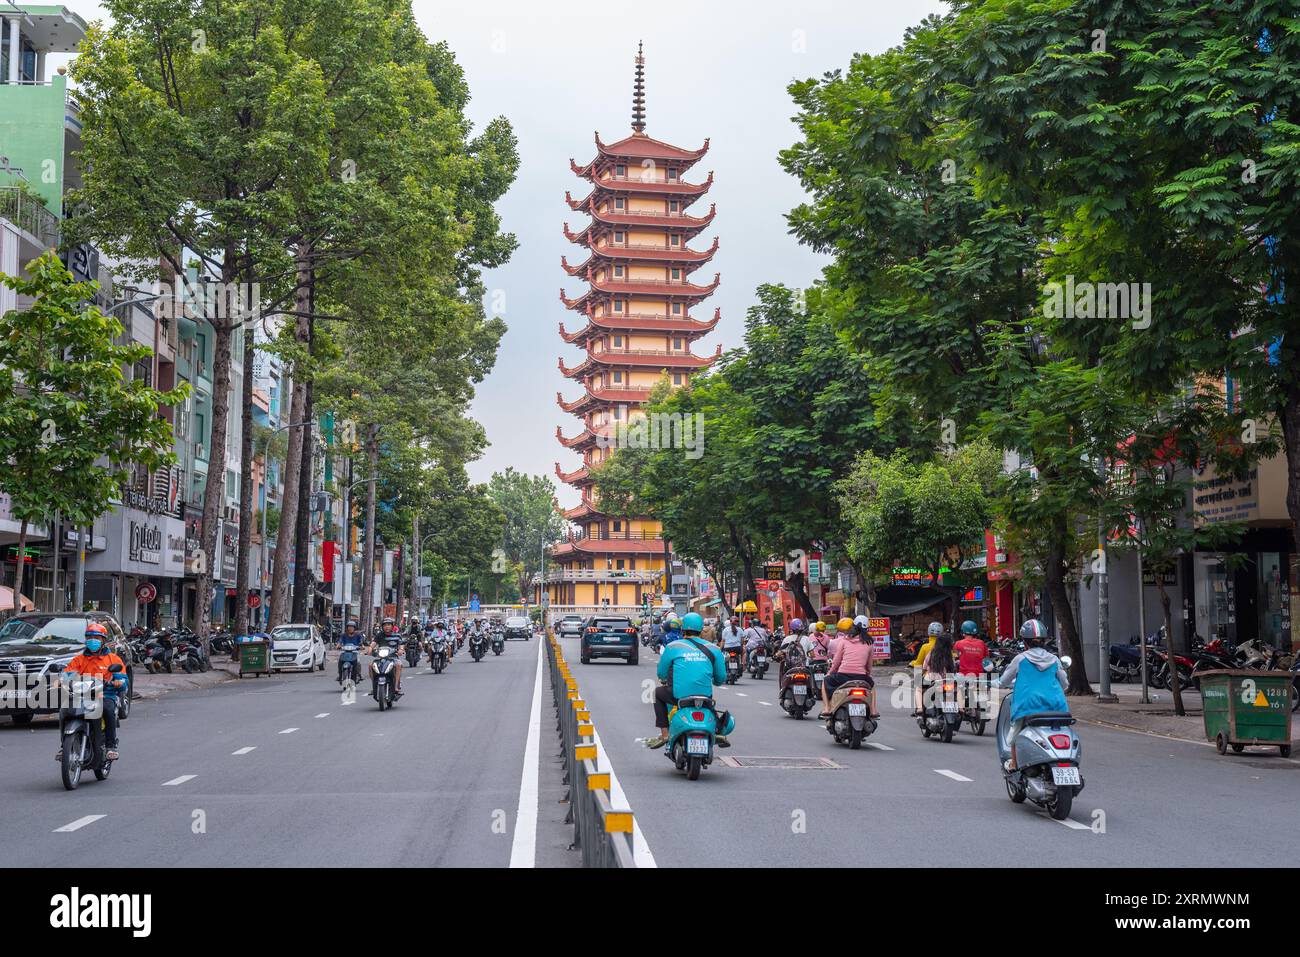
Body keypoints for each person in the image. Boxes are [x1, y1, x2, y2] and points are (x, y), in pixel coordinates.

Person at [645, 612, 732, 750]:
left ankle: (665, 733)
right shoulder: (714, 649)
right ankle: (717, 730)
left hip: (678, 696)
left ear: (683, 628)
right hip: (704, 698)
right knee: (711, 708)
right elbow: (720, 678)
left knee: (657, 693)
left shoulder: (673, 646)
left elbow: (661, 673)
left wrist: (664, 679)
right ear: (700, 628)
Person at [997, 619, 1069, 770]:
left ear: (1025, 641)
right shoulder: (1054, 659)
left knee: (1013, 737)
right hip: (1057, 707)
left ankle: (1015, 765)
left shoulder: (1020, 659)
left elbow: (1003, 682)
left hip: (1027, 708)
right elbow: (1065, 684)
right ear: (1044, 641)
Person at [61, 623, 129, 761]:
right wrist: (62, 680)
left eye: (97, 637)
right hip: (82, 695)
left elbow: (122, 679)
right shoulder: (79, 659)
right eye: (90, 637)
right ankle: (64, 747)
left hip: (105, 695)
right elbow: (68, 674)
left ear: (103, 640)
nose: (93, 640)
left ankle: (111, 746)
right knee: (65, 711)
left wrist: (119, 682)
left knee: (108, 709)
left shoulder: (113, 659)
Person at [820, 617, 878, 720]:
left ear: (853, 626)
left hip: (843, 676)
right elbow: (869, 665)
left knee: (825, 681)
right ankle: (873, 710)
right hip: (861, 677)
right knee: (872, 686)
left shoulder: (844, 641)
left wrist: (830, 672)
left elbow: (836, 662)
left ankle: (827, 708)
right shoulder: (869, 643)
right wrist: (867, 674)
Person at [912, 621, 944, 714]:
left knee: (918, 687)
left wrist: (913, 664)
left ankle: (919, 708)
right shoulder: (946, 647)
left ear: (929, 632)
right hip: (945, 677)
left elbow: (919, 662)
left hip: (930, 676)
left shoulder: (925, 647)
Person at [366, 616, 404, 695]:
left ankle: (396, 686)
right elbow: (373, 644)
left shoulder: (397, 636)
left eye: (389, 625)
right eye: (385, 625)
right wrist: (370, 649)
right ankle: (374, 686)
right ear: (382, 627)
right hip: (381, 658)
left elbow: (401, 645)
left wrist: (400, 650)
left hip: (393, 658)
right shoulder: (379, 635)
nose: (387, 627)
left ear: (392, 626)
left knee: (398, 665)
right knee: (371, 665)